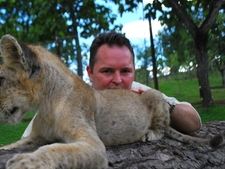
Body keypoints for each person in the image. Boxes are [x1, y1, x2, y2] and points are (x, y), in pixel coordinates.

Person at [22, 32, 202, 138]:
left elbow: (194, 123)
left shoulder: (139, 93)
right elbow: (29, 141)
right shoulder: (66, 102)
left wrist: (164, 106)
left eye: (125, 71)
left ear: (134, 72)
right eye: (107, 71)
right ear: (90, 73)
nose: (118, 80)